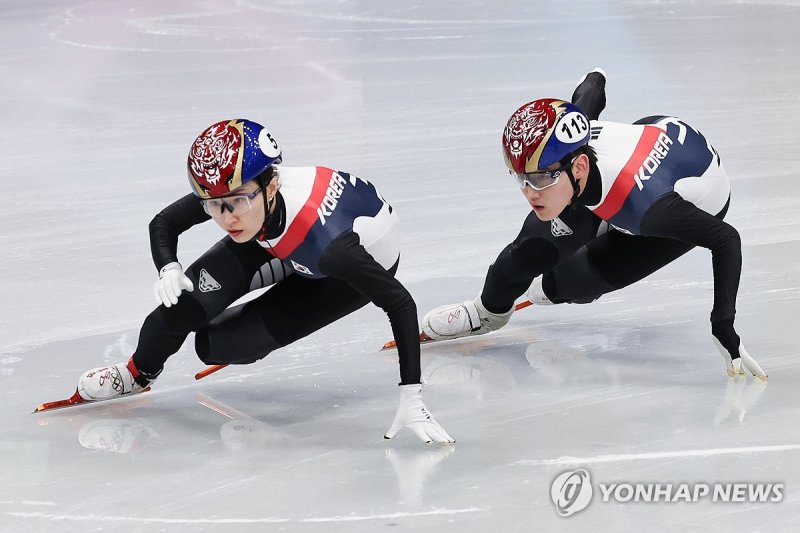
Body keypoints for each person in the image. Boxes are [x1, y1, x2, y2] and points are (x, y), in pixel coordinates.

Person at [76, 118, 455, 444]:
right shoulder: (239, 189)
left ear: (271, 185)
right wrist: (169, 268)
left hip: (338, 270)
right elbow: (164, 223)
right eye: (212, 204)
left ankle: (242, 334)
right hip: (278, 234)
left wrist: (411, 396)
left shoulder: (331, 248)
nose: (226, 218)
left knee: (215, 345)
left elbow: (401, 303)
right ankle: (136, 375)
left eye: (235, 202)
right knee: (180, 310)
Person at [422, 69, 767, 380]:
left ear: (580, 168)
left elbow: (726, 239)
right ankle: (488, 314)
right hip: (648, 144)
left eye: (540, 178)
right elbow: (590, 92)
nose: (529, 192)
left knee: (571, 283)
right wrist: (595, 77)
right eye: (520, 179)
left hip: (690, 197)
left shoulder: (648, 210)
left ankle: (568, 280)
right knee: (528, 252)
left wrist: (722, 323)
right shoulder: (575, 139)